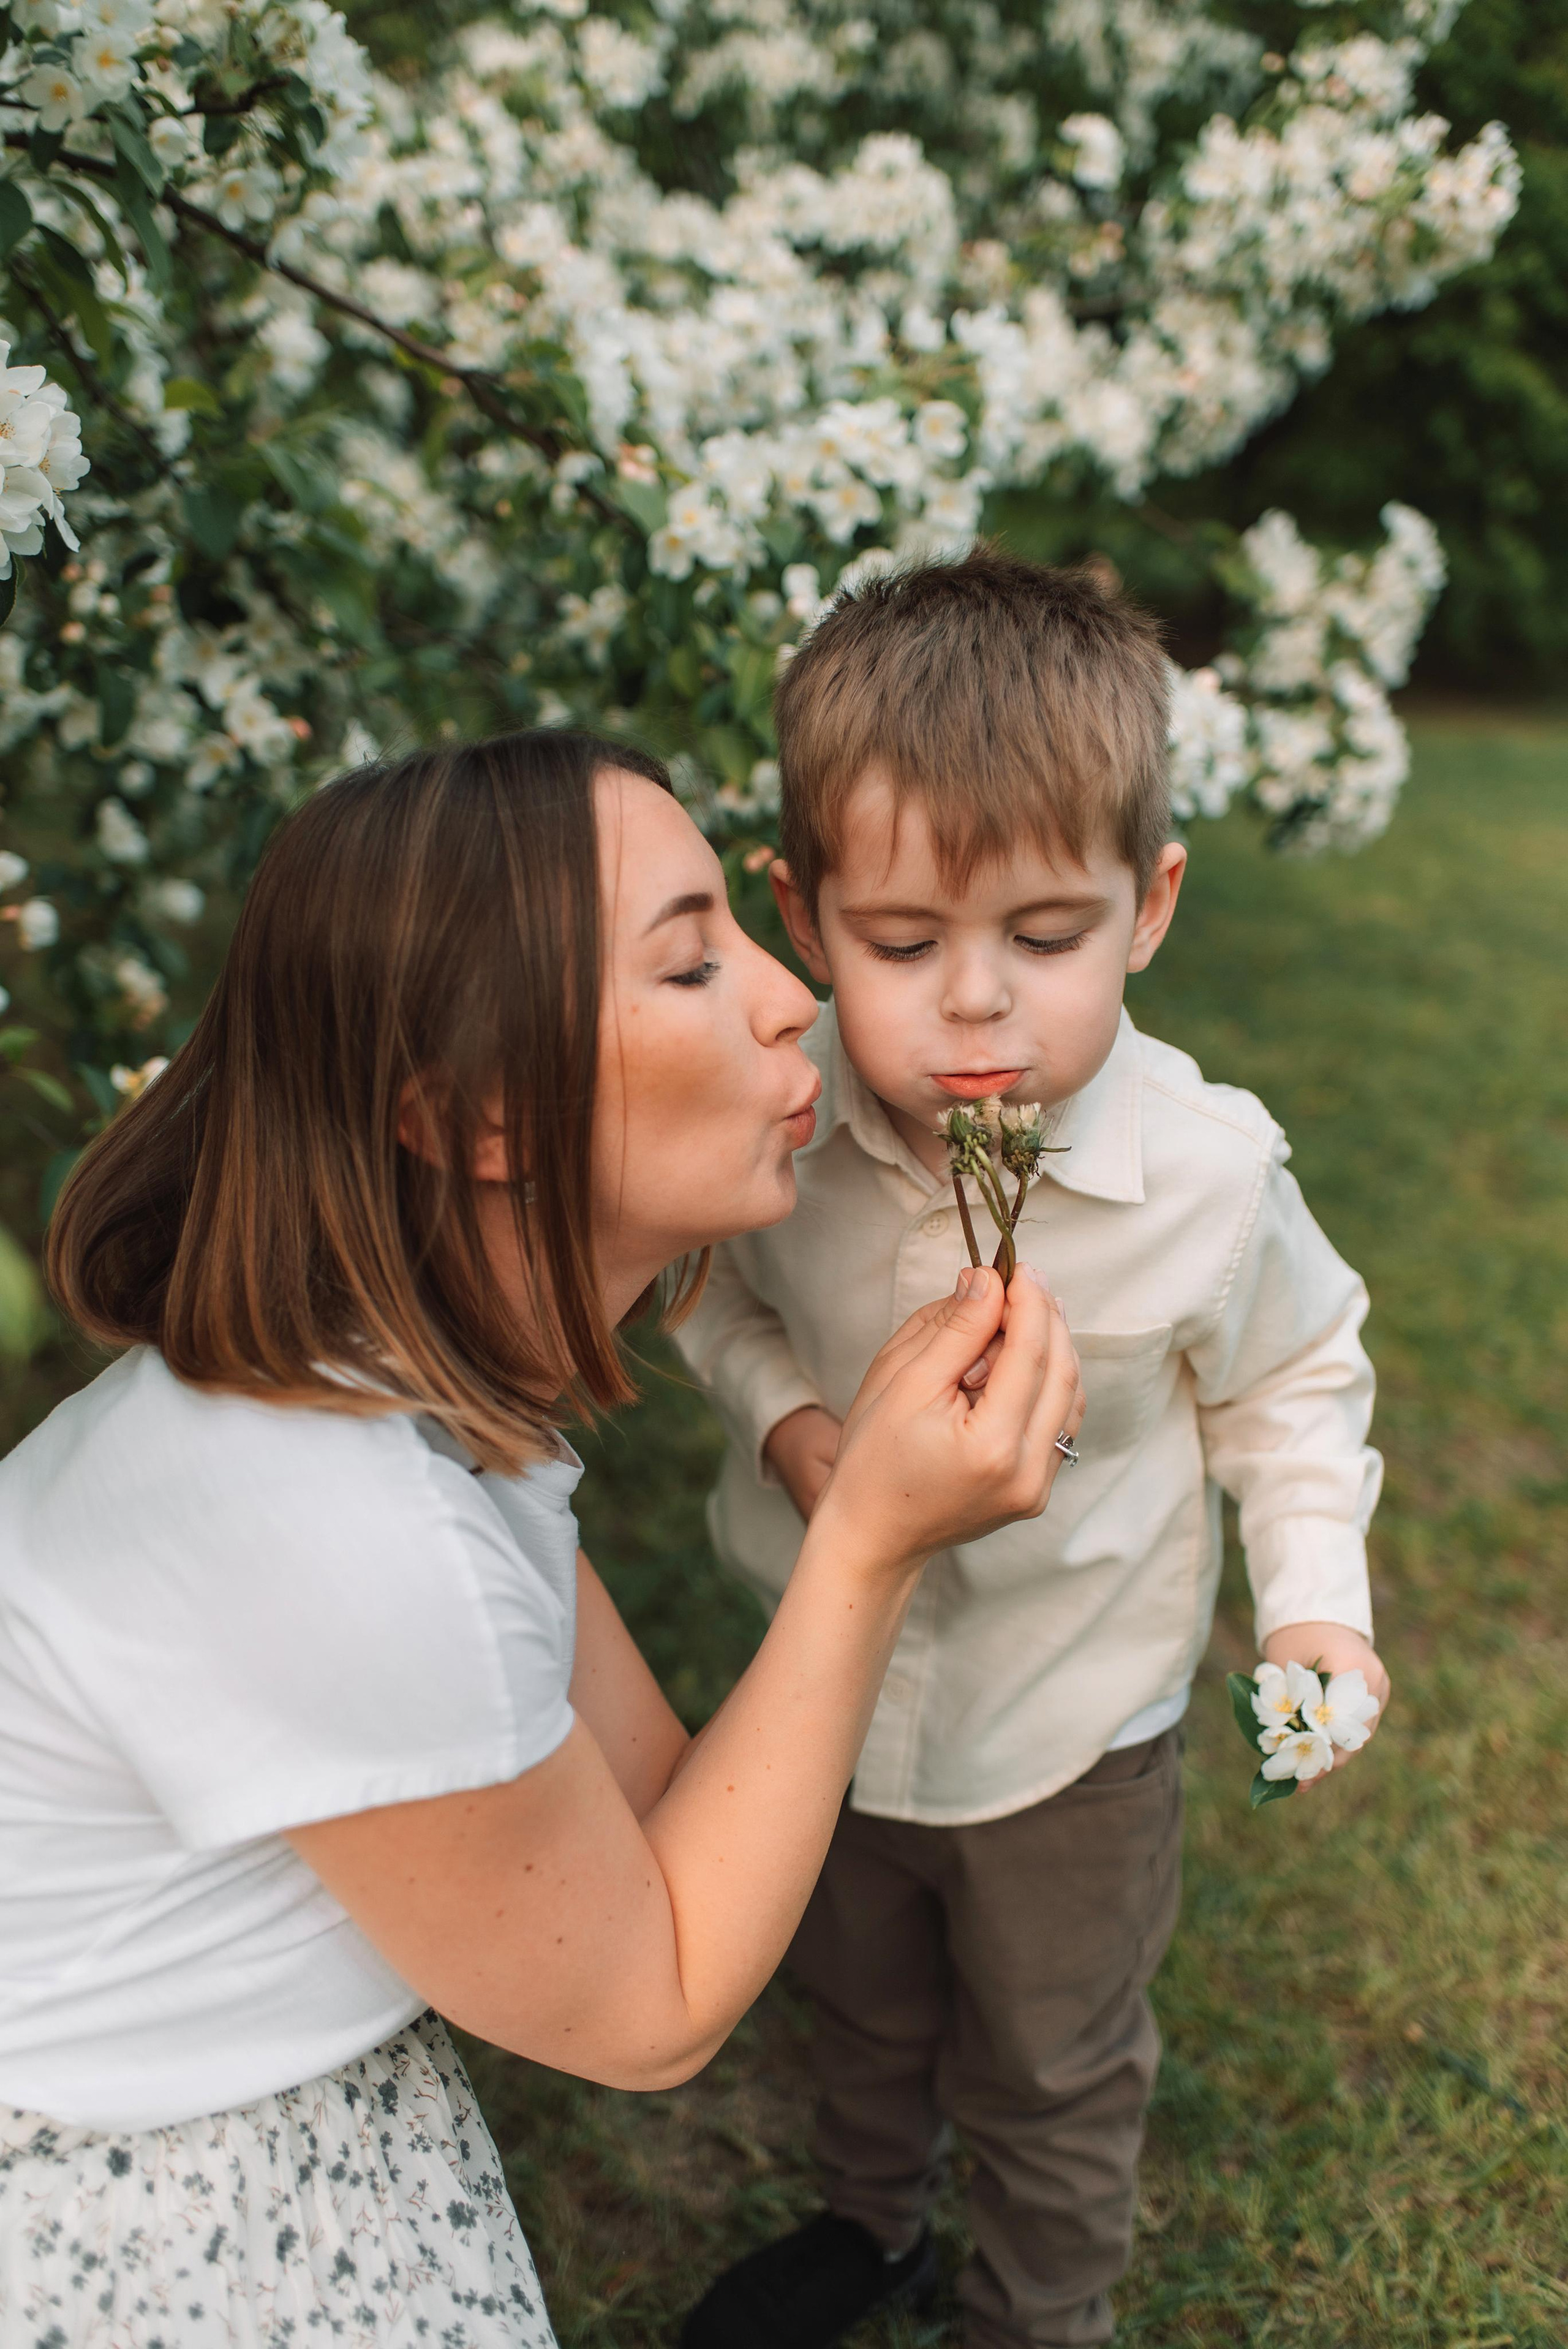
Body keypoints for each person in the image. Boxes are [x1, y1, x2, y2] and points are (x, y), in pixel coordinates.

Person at [0, 729, 1087, 2347]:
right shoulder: (338, 1520)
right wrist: (870, 1542)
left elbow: (657, 1818)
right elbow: (649, 2008)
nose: (792, 994)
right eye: (690, 962)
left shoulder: (399, 1378)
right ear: (482, 1116)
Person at [674, 553, 1393, 2349]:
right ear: (806, 909)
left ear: (1147, 907)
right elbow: (699, 1288)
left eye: (1044, 938)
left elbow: (1297, 1379)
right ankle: (870, 2220)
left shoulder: (1208, 1179)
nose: (976, 1007)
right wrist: (795, 1426)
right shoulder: (790, 1118)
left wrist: (1315, 1606)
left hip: (1072, 1726)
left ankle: (1038, 2305)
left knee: (1053, 2054)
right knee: (858, 1994)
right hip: (820, 1697)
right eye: (904, 946)